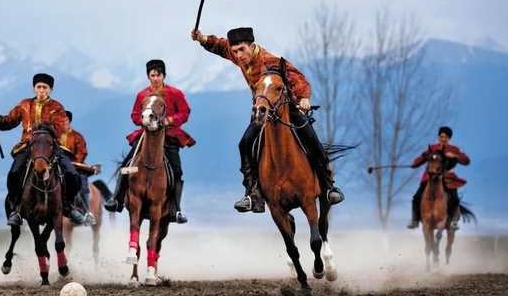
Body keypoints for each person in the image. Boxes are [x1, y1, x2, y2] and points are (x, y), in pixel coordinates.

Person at [191, 26, 345, 213]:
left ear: (251, 46)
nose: (238, 55)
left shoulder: (268, 61)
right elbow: (222, 46)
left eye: (242, 50)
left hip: (286, 109)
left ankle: (328, 186)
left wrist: (304, 97)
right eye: (235, 51)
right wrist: (203, 39)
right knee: (245, 143)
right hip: (261, 112)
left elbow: (297, 78)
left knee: (311, 139)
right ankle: (252, 192)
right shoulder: (237, 55)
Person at [0, 73, 85, 227]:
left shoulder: (57, 107)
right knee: (14, 173)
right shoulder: (24, 105)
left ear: (50, 90)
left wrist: (42, 129)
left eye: (44, 87)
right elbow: (10, 120)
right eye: (38, 87)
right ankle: (16, 209)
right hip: (28, 146)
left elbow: (59, 128)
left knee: (72, 174)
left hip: (50, 147)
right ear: (34, 88)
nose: (41, 90)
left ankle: (68, 206)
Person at [104, 59, 194, 224]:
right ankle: (116, 199)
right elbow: (135, 115)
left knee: (177, 170)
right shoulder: (142, 95)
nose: (155, 78)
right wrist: (144, 121)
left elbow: (185, 112)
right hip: (146, 135)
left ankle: (176, 208)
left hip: (169, 136)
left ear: (163, 75)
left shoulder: (175, 93)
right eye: (152, 75)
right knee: (128, 163)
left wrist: (169, 120)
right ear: (148, 76)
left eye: (158, 75)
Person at [407, 126, 471, 230]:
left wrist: (455, 156)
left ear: (449, 139)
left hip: (448, 178)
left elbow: (466, 161)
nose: (443, 139)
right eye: (441, 136)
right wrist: (415, 163)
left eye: (445, 137)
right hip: (430, 177)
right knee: (416, 197)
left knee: (454, 199)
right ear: (438, 137)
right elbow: (422, 158)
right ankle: (414, 220)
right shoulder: (432, 148)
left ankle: (454, 221)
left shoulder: (454, 149)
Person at [59, 110, 97, 226]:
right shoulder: (54, 136)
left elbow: (82, 152)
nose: (64, 122)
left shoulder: (77, 136)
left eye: (66, 120)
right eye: (61, 120)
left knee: (82, 184)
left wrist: (73, 162)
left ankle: (87, 213)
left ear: (69, 121)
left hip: (75, 167)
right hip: (58, 166)